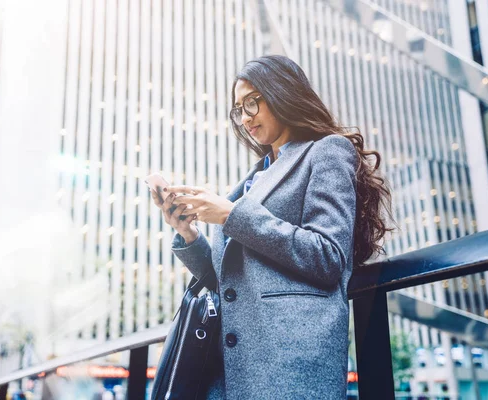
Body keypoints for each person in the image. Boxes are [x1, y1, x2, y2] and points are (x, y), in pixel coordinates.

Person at [149, 55, 393, 399]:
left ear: (282, 93)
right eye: (239, 108)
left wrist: (231, 215)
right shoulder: (254, 178)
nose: (245, 117)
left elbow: (328, 256)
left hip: (288, 366)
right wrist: (189, 234)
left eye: (252, 102)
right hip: (230, 370)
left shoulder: (326, 152)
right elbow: (232, 278)